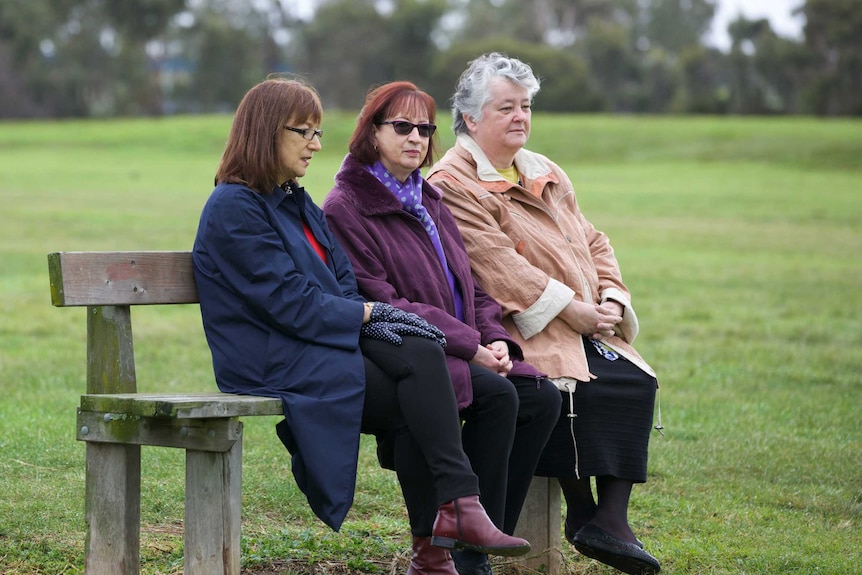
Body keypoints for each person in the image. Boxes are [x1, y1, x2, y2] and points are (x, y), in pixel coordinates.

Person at [191, 77, 531, 574]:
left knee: (423, 353)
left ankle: (451, 528)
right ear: (265, 133)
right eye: (303, 131)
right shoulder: (234, 207)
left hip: (320, 343)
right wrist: (371, 314)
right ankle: (442, 541)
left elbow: (343, 283)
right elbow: (290, 303)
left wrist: (370, 314)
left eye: (318, 132)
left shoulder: (294, 201)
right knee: (420, 384)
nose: (314, 144)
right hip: (273, 357)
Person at [426, 54, 663, 575]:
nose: (520, 117)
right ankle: (584, 512)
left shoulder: (545, 169)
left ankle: (609, 519)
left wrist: (610, 300)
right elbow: (496, 265)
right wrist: (571, 310)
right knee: (567, 386)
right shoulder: (452, 181)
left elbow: (593, 238)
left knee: (634, 380)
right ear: (469, 117)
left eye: (526, 106)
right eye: (506, 107)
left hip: (582, 317)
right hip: (513, 323)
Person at [323, 81, 561, 575]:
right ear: (371, 131)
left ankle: (475, 543)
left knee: (541, 398)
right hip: (402, 349)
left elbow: (470, 283)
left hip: (459, 348)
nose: (416, 138)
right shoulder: (346, 206)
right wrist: (471, 346)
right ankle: (460, 551)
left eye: (425, 128)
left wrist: (494, 336)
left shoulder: (427, 198)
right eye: (402, 127)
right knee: (499, 397)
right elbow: (384, 301)